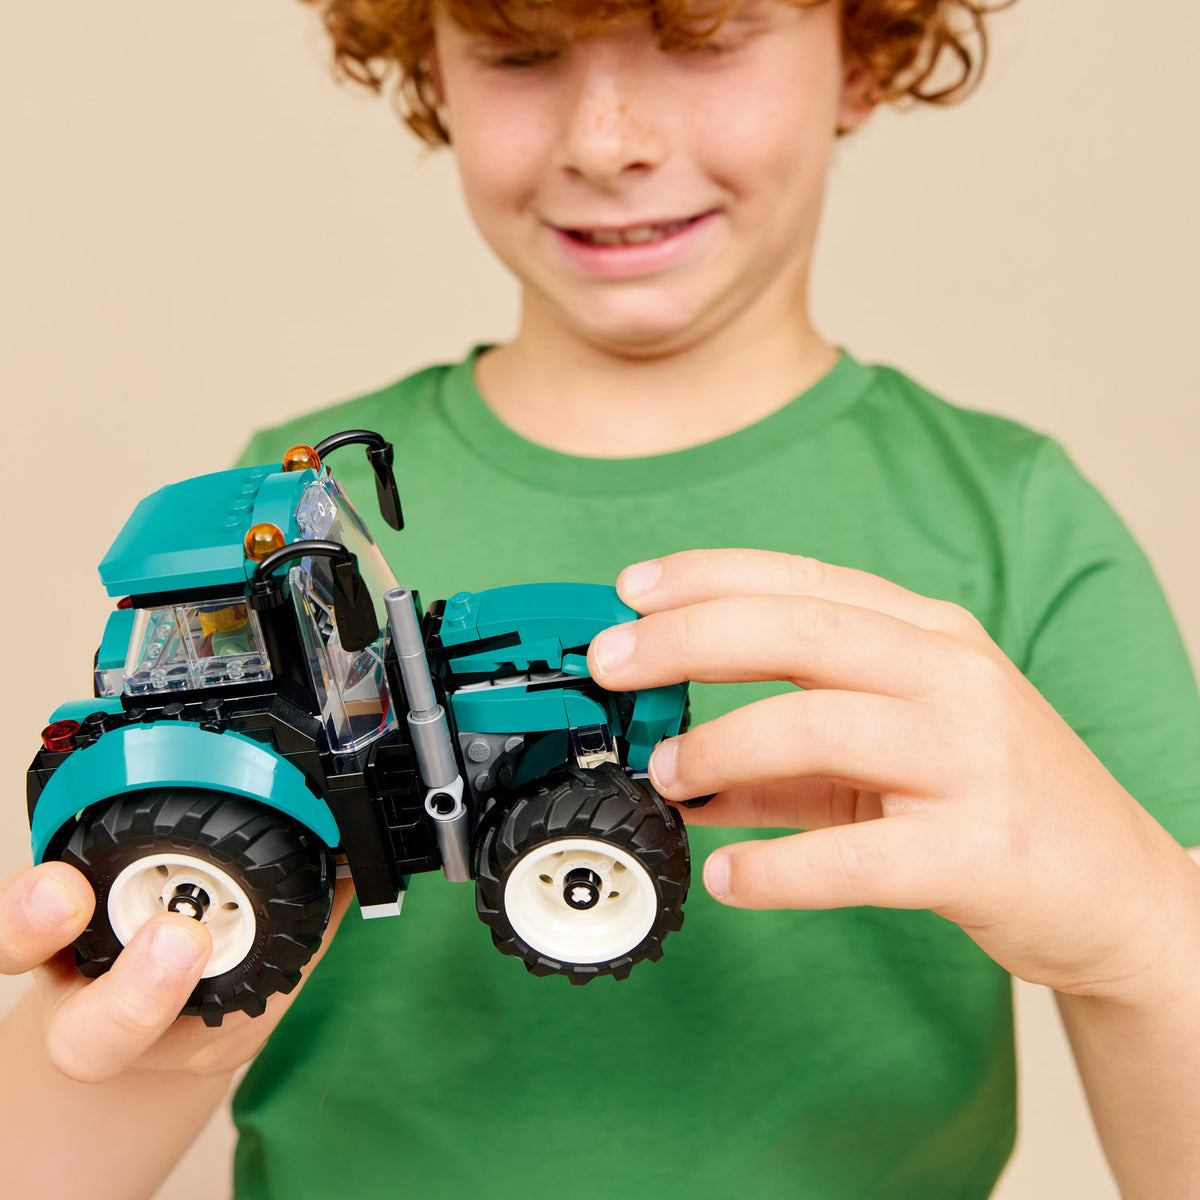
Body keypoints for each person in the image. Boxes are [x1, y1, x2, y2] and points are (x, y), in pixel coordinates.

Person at [3, 1, 1200, 1197]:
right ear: (432, 63)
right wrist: (161, 1024)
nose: (607, 138)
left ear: (865, 45)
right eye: (522, 52)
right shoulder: (281, 504)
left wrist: (1147, 936)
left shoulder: (1019, 527)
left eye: (708, 33)